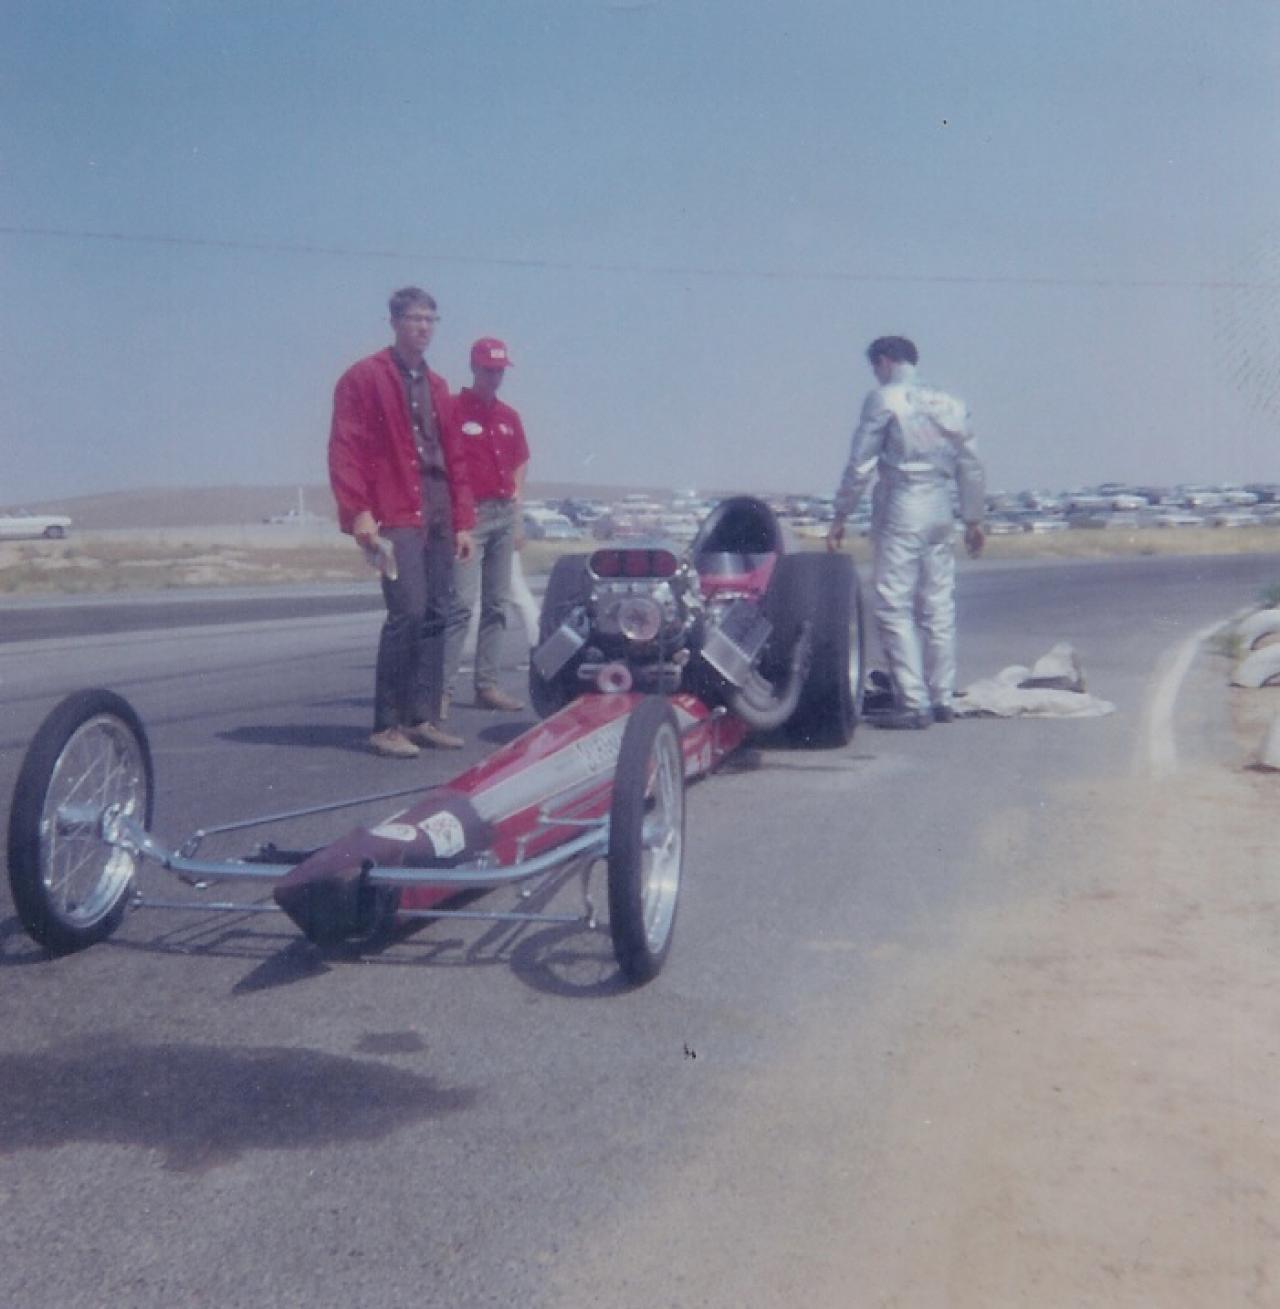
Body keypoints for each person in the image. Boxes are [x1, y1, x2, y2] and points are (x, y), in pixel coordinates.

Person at [328, 287, 476, 757]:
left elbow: (455, 456)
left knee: (437, 613)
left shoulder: (438, 387)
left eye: (431, 319)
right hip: (395, 509)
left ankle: (421, 718)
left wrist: (463, 521)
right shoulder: (363, 378)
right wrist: (358, 511)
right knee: (408, 611)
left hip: (438, 508)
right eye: (415, 318)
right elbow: (346, 448)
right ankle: (386, 725)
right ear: (394, 322)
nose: (424, 327)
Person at [826, 336, 985, 730]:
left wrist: (841, 512)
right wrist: (973, 519)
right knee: (938, 604)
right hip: (941, 504)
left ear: (884, 361)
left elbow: (861, 463)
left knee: (893, 603)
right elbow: (971, 464)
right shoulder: (951, 402)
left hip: (903, 502)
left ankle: (913, 702)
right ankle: (941, 696)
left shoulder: (884, 398)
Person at [440, 337, 531, 713]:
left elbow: (520, 459)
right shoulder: (453, 410)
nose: (495, 377)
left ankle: (486, 686)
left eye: (500, 371)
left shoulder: (509, 416)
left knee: (497, 603)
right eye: (489, 370)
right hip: (469, 516)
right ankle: (440, 691)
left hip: (503, 514)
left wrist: (517, 507)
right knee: (461, 604)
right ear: (474, 368)